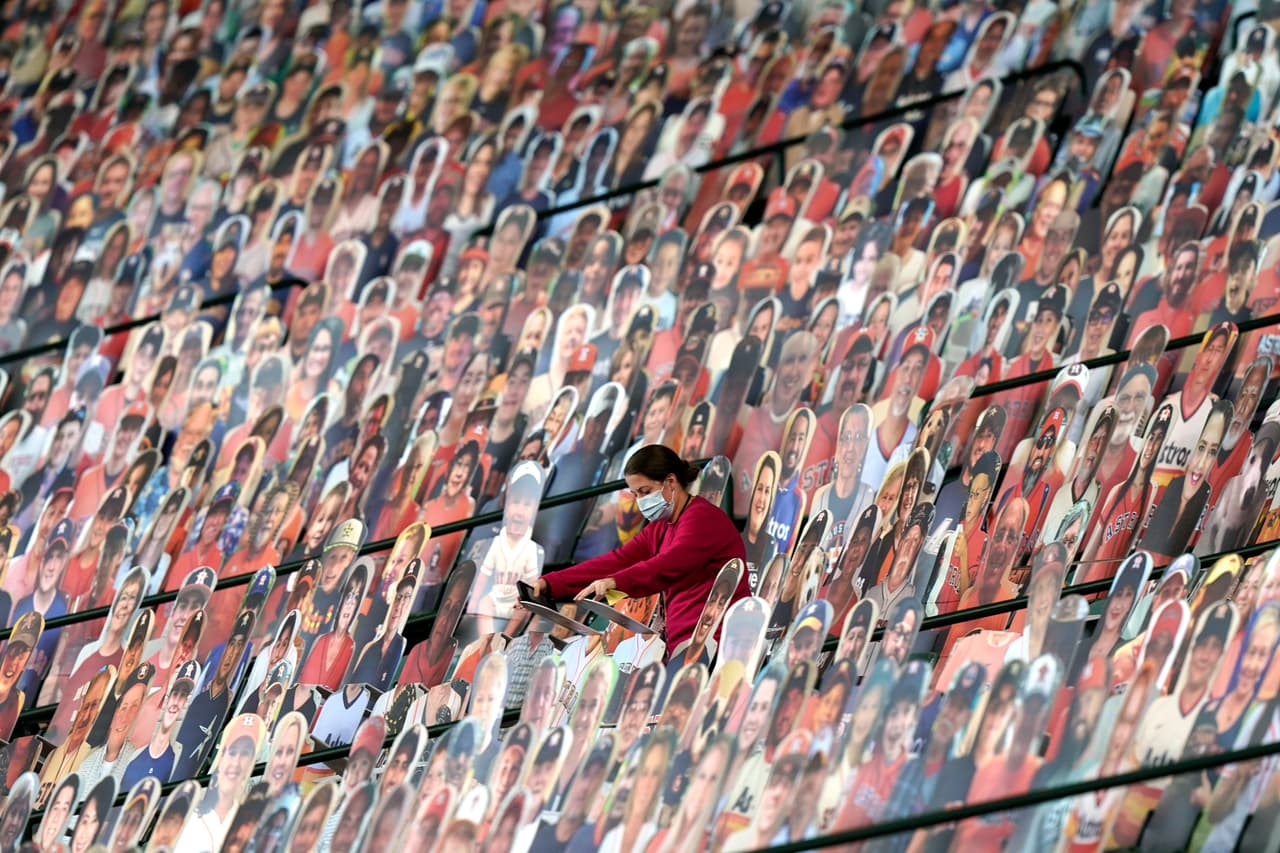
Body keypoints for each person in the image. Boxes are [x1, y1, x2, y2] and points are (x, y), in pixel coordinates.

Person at [531, 445, 751, 655]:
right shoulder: (660, 527)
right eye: (635, 494)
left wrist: (615, 582)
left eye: (645, 492)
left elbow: (668, 565)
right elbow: (618, 560)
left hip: (717, 643)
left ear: (671, 482)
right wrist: (549, 584)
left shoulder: (702, 518)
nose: (640, 502)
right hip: (684, 644)